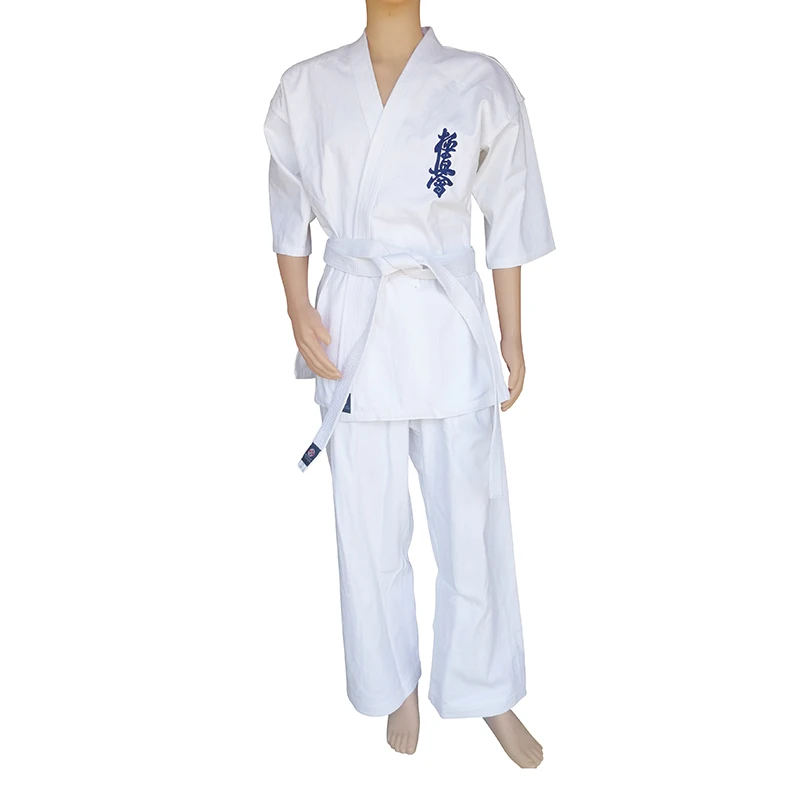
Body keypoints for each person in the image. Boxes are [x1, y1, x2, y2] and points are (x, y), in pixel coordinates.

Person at [264, 0, 554, 768]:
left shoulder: (480, 81)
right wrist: (295, 305)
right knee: (367, 526)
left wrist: (512, 331)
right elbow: (289, 207)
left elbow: (508, 214)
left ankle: (487, 688)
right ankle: (392, 680)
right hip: (354, 327)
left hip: (445, 322)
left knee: (472, 517)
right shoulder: (306, 86)